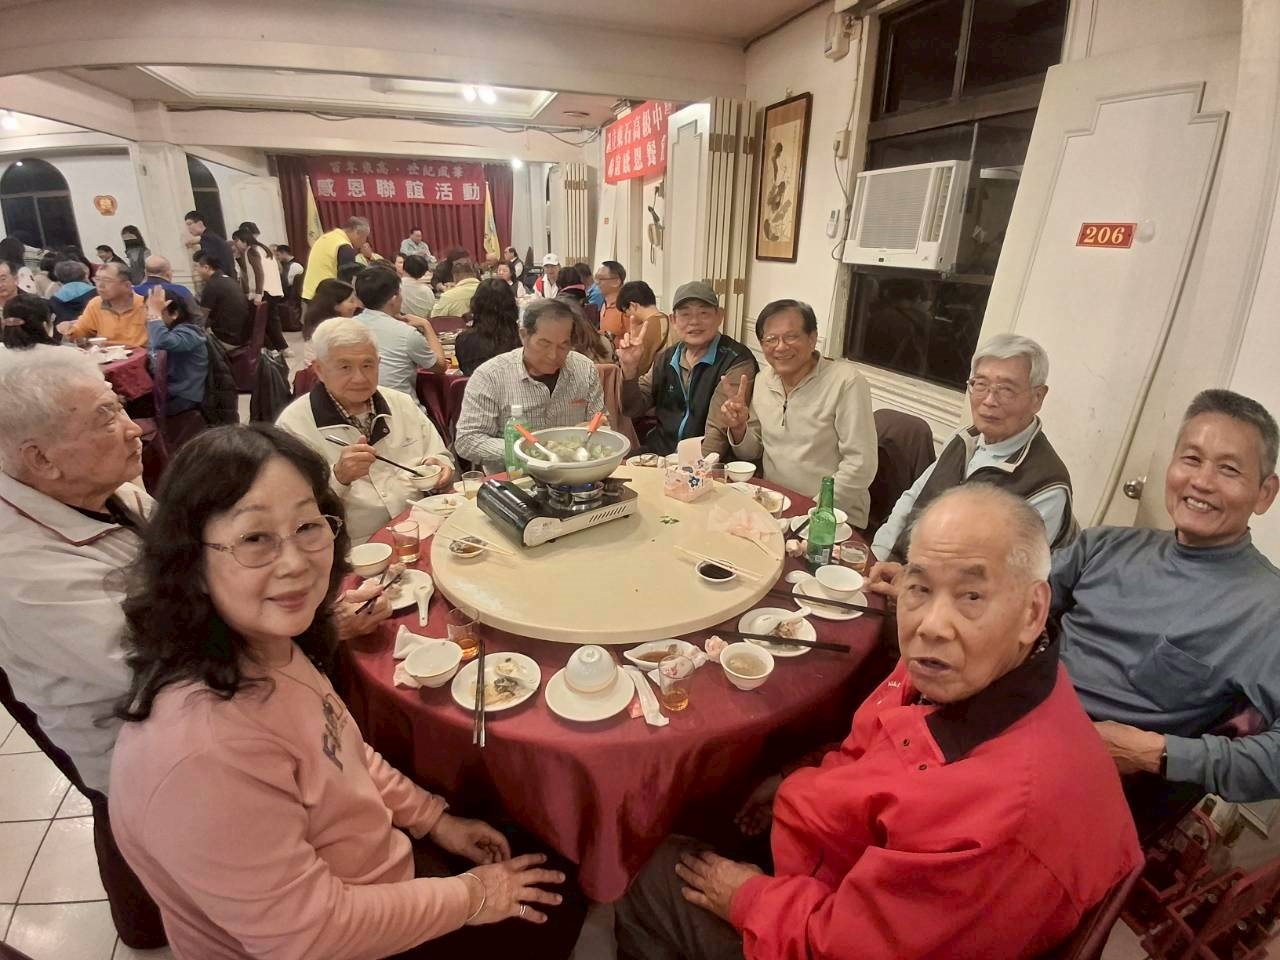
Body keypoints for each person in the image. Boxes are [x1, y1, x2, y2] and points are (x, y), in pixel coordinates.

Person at [109, 424, 584, 960]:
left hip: (383, 874)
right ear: (189, 560)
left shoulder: (266, 646)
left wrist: (436, 821)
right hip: (347, 940)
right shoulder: (200, 755)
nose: (295, 562)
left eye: (308, 526)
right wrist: (475, 896)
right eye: (255, 538)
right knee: (562, 903)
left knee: (547, 852)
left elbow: (344, 754)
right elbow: (309, 935)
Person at [614, 484, 1142, 960]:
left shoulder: (1001, 820)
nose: (932, 625)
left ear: (1031, 611)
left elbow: (844, 948)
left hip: (828, 925)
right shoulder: (984, 673)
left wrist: (748, 898)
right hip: (844, 862)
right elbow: (872, 753)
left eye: (971, 596)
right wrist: (795, 781)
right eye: (920, 588)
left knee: (642, 872)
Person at [1050, 389, 1280, 807]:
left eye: (1229, 469)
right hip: (1007, 712)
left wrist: (1155, 753)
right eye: (1191, 459)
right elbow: (1014, 598)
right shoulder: (1103, 546)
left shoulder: (1267, 610)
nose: (1202, 481)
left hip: (1086, 778)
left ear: (1265, 493)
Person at [868, 333, 1075, 583]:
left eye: (1006, 390)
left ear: (1037, 398)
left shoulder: (1046, 486)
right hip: (903, 574)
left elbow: (1007, 580)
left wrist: (918, 587)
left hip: (951, 598)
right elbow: (912, 499)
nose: (989, 400)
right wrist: (876, 558)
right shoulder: (964, 439)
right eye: (980, 385)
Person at [277, 317, 454, 542]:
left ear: (379, 363)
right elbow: (287, 508)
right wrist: (338, 478)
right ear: (319, 370)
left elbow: (440, 455)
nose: (359, 378)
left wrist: (440, 467)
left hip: (420, 529)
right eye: (345, 367)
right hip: (351, 547)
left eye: (368, 365)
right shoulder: (293, 425)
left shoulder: (401, 403)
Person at [721, 299, 876, 526]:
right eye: (771, 339)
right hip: (775, 506)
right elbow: (752, 451)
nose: (780, 347)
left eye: (791, 337)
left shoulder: (846, 381)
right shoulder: (764, 380)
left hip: (833, 516)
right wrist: (738, 428)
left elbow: (861, 465)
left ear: (812, 338)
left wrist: (814, 512)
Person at [455, 298, 605, 474]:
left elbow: (600, 422)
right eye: (544, 344)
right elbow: (467, 440)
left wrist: (595, 429)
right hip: (514, 478)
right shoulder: (491, 376)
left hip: (574, 474)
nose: (553, 355)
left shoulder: (584, 369)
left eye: (563, 345)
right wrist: (525, 449)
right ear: (524, 335)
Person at [619, 281, 756, 459]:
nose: (694, 322)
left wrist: (687, 471)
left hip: (707, 464)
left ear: (719, 316)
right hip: (660, 455)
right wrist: (629, 372)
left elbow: (717, 433)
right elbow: (633, 408)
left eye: (704, 313)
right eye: (685, 314)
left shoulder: (736, 360)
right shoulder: (667, 357)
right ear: (673, 320)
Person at [351, 264, 447, 404]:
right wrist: (426, 325)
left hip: (359, 406)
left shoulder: (347, 327)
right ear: (393, 298)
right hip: (401, 410)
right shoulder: (407, 334)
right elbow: (440, 366)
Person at [143, 285, 208, 415]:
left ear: (174, 314)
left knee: (133, 410)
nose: (148, 315)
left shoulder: (190, 332)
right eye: (146, 309)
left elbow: (163, 342)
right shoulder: (162, 330)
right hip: (167, 390)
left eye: (155, 310)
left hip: (183, 395)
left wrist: (155, 315)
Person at [55, 261, 148, 347]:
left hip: (141, 355)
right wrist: (69, 330)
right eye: (97, 279)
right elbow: (81, 330)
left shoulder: (145, 305)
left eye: (107, 280)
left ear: (127, 286)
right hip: (107, 355)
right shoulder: (95, 304)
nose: (100, 286)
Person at [233, 228, 288, 352]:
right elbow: (250, 269)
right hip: (274, 289)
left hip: (264, 291)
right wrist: (238, 257)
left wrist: (258, 294)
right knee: (270, 322)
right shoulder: (263, 248)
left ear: (242, 240)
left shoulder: (251, 250)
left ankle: (272, 349)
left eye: (236, 241)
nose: (235, 244)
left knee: (257, 323)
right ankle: (281, 348)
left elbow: (258, 272)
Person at [455, 278, 521, 376]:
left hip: (475, 385)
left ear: (476, 304)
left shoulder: (464, 340)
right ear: (512, 305)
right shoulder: (524, 339)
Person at [616, 280, 673, 383]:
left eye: (626, 312)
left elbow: (637, 371)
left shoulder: (642, 331)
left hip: (652, 386)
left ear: (633, 306)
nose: (627, 316)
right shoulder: (672, 321)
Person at [302, 217, 370, 302]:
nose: (364, 241)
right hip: (327, 297)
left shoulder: (325, 237)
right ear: (357, 233)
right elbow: (346, 282)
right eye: (365, 237)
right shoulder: (344, 246)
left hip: (309, 293)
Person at [195, 251, 253, 350]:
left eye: (197, 267)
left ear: (206, 268)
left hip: (229, 339)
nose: (196, 271)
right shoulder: (229, 280)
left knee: (194, 341)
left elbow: (202, 319)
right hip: (244, 335)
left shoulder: (212, 285)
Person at [133, 254, 201, 317]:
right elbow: (196, 317)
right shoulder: (181, 290)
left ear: (145, 273)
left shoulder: (133, 292)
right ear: (168, 273)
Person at [302, 277, 359, 345]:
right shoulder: (334, 334)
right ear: (335, 305)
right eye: (351, 301)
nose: (356, 305)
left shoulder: (315, 323)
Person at [183, 211, 237, 276]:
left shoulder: (206, 238)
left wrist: (196, 255)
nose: (188, 228)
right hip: (228, 277)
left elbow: (210, 260)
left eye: (189, 224)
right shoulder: (211, 236)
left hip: (222, 277)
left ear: (200, 223)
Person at [594, 260, 626, 336]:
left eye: (601, 279)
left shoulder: (626, 307)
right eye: (596, 278)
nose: (597, 282)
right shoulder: (604, 304)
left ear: (616, 282)